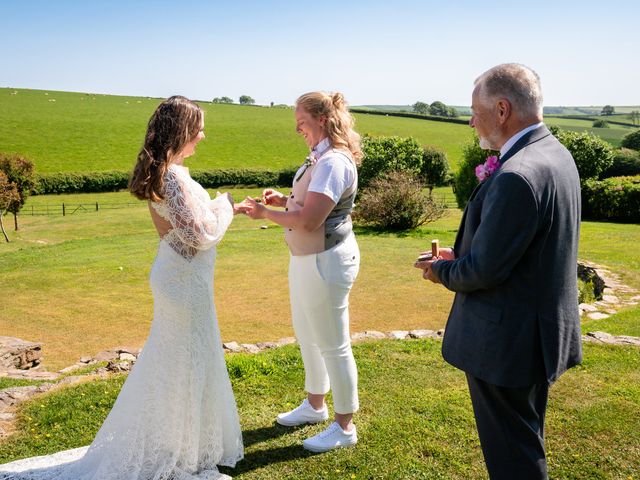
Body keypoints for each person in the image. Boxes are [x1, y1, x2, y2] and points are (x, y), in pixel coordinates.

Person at [0, 96, 244, 480]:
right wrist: (227, 206)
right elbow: (199, 234)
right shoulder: (173, 176)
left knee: (179, 361)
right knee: (184, 361)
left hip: (180, 276)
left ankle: (179, 443)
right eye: (198, 127)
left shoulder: (168, 171)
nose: (203, 134)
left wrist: (217, 205)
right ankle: (174, 452)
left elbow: (188, 226)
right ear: (181, 130)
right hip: (184, 282)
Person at [415, 64, 582, 480]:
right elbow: (523, 245)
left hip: (507, 342)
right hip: (536, 333)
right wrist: (466, 250)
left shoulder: (517, 174)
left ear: (502, 109)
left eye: (475, 110)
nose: (471, 120)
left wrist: (442, 271)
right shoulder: (555, 155)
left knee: (514, 457)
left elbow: (486, 271)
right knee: (524, 438)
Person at [241, 91, 361, 453]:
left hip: (325, 260)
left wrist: (265, 213)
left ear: (322, 120)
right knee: (308, 335)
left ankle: (344, 426)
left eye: (302, 124)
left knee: (334, 344)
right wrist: (284, 200)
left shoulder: (334, 162)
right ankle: (315, 405)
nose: (298, 131)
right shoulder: (321, 157)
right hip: (307, 260)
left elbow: (310, 221)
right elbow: (308, 204)